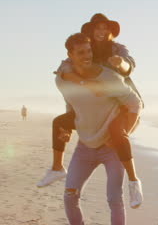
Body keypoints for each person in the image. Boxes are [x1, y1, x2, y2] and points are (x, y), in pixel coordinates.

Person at [37, 13, 144, 209]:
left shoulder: (117, 49)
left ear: (111, 32)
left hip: (120, 100)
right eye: (98, 28)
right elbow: (65, 67)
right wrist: (84, 83)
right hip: (93, 100)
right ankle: (57, 168)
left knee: (117, 134)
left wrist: (119, 63)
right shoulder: (86, 48)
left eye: (105, 28)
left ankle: (134, 182)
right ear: (91, 31)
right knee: (60, 122)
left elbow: (130, 66)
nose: (101, 32)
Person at [57, 33, 142, 224]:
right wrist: (67, 130)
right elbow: (71, 104)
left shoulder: (108, 77)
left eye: (88, 51)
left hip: (111, 149)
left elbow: (135, 103)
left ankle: (135, 181)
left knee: (114, 199)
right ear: (70, 55)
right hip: (84, 147)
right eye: (81, 52)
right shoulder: (63, 79)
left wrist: (124, 134)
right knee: (70, 195)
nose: (86, 56)